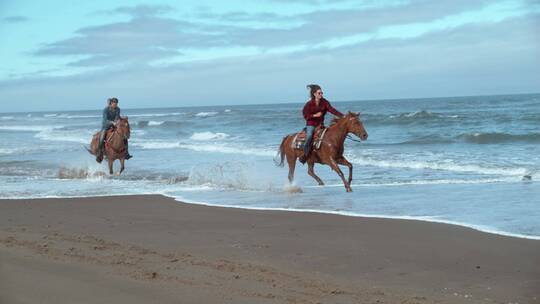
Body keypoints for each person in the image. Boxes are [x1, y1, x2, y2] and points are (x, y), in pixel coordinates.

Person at [300, 84, 343, 163]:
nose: (321, 94)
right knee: (309, 136)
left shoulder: (325, 102)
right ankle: (305, 154)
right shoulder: (309, 104)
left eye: (322, 93)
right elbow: (305, 115)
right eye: (319, 93)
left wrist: (342, 116)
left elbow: (332, 110)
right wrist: (314, 115)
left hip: (320, 125)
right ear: (314, 94)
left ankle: (323, 153)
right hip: (311, 124)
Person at [97, 97, 132, 162]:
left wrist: (123, 118)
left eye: (116, 103)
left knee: (124, 137)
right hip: (106, 126)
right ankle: (99, 153)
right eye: (114, 103)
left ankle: (126, 153)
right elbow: (105, 119)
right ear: (111, 103)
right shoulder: (105, 110)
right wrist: (112, 122)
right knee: (101, 138)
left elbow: (117, 117)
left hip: (115, 125)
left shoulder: (118, 109)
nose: (115, 105)